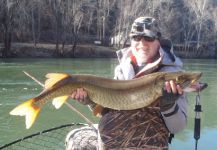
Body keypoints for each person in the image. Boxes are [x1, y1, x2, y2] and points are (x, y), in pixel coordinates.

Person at [66, 16, 188, 150]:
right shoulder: (122, 69)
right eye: (136, 37)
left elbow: (177, 127)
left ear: (158, 41)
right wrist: (91, 101)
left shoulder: (171, 76)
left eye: (148, 38)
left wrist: (169, 105)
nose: (142, 43)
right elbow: (108, 111)